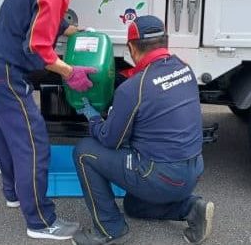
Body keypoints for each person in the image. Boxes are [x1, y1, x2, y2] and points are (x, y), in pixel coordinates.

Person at [0, 0, 107, 240]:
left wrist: (68, 28)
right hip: (8, 72)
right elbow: (37, 47)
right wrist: (69, 71)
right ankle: (41, 222)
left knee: (7, 138)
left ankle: (12, 193)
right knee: (33, 145)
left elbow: (32, 11)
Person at [73, 15, 214, 245]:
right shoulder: (185, 69)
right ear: (165, 41)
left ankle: (110, 230)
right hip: (192, 172)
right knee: (133, 205)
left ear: (131, 47)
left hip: (162, 177)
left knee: (84, 151)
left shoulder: (134, 88)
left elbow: (110, 140)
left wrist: (93, 117)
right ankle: (190, 208)